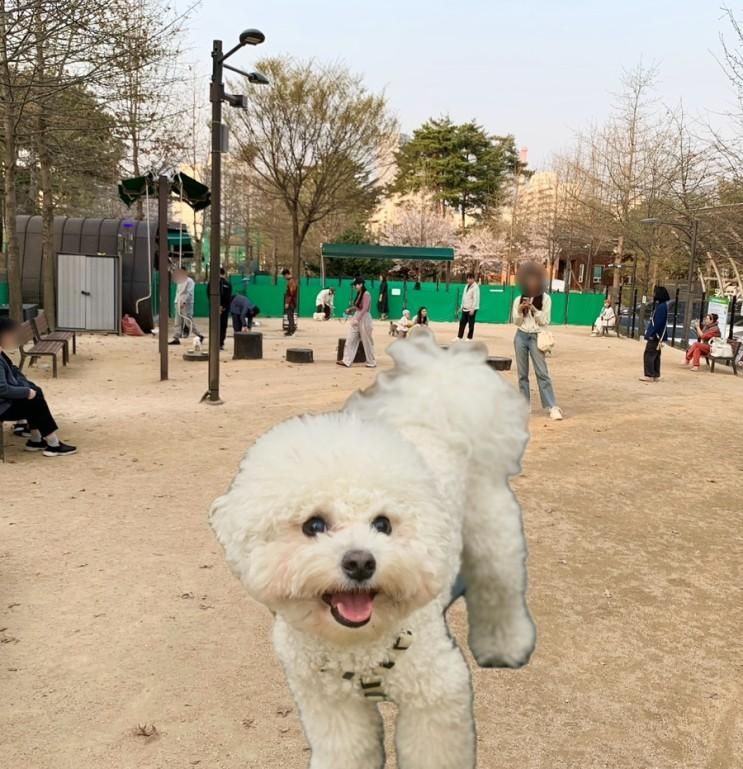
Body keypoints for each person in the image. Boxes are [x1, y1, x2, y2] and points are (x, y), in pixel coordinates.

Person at [0, 317, 77, 456]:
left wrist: (26, 389)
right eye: (11, 335)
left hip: (5, 401)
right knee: (34, 399)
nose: (13, 339)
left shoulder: (1, 354)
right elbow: (2, 389)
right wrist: (25, 391)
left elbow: (13, 372)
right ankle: (53, 444)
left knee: (35, 394)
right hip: (3, 406)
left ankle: (37, 440)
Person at [512, 261, 563, 421]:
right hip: (521, 335)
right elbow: (516, 321)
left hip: (536, 336)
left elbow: (545, 320)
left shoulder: (546, 299)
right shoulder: (518, 299)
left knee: (542, 372)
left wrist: (534, 309)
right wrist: (520, 312)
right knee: (522, 374)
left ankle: (552, 406)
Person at [338, 277, 376, 368]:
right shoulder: (359, 293)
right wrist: (350, 309)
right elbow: (358, 307)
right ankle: (346, 361)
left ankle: (371, 362)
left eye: (356, 285)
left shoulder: (366, 294)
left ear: (361, 284)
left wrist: (357, 319)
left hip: (364, 318)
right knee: (350, 339)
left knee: (367, 341)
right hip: (357, 316)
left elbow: (365, 308)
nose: (355, 286)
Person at [640, 286, 671, 382]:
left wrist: (652, 334)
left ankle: (649, 374)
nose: (653, 294)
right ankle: (655, 374)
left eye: (655, 293)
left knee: (649, 354)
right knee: (656, 354)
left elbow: (659, 322)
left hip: (656, 335)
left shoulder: (661, 307)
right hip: (657, 334)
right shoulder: (662, 305)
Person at [169, 268, 204, 345]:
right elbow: (178, 292)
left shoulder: (190, 281)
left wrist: (184, 302)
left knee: (188, 321)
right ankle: (176, 338)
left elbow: (189, 292)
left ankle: (199, 335)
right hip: (178, 302)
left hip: (186, 304)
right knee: (177, 321)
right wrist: (177, 301)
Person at [458, 273, 480, 340]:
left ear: (473, 279)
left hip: (471, 309)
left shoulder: (475, 287)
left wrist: (473, 309)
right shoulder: (466, 286)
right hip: (465, 308)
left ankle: (469, 337)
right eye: (467, 278)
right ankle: (459, 336)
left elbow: (476, 299)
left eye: (470, 278)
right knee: (462, 323)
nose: (468, 280)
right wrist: (461, 306)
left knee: (471, 324)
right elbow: (464, 297)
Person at [219, 267, 233, 350]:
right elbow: (228, 298)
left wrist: (217, 306)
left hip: (215, 308)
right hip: (224, 309)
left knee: (214, 326)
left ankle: (214, 341)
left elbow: (209, 295)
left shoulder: (212, 283)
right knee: (223, 326)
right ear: (224, 274)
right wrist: (223, 307)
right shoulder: (228, 284)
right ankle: (221, 343)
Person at [281, 268, 298, 336]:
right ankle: (291, 329)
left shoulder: (291, 281)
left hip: (291, 302)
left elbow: (291, 293)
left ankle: (291, 330)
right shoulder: (292, 281)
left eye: (284, 276)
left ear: (287, 274)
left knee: (290, 316)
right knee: (289, 316)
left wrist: (287, 302)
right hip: (292, 301)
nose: (284, 277)